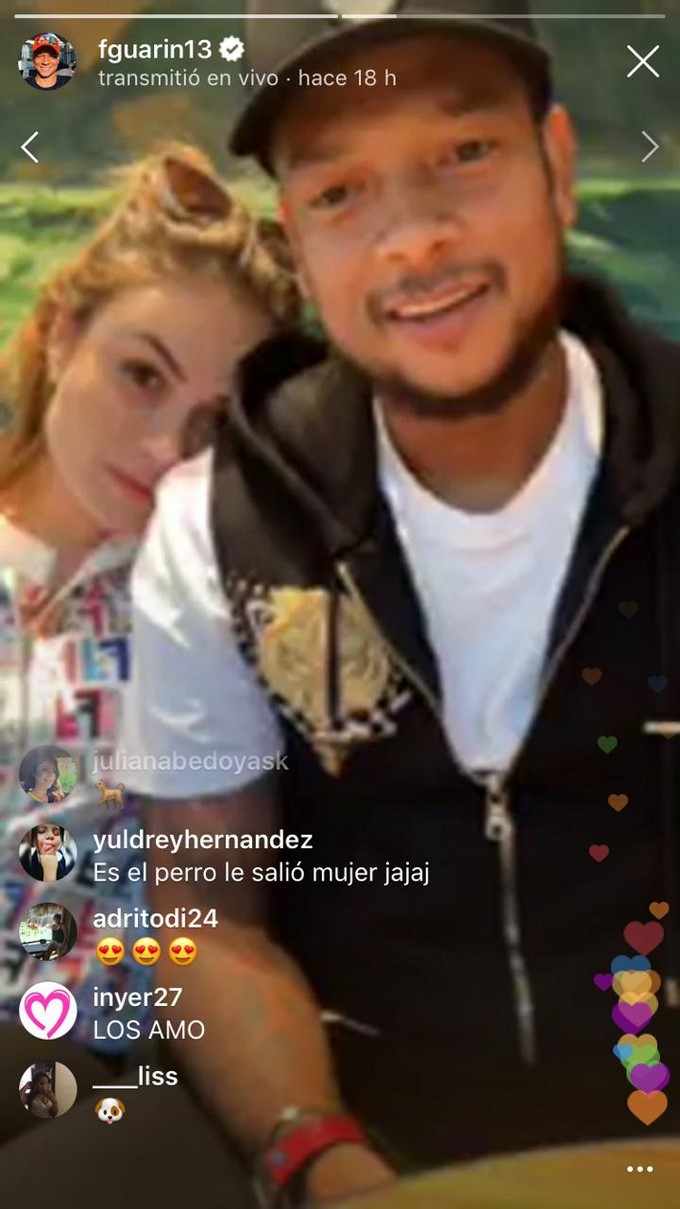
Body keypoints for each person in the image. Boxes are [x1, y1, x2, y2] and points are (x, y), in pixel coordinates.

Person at [121, 3, 680, 1208]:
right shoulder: (221, 527)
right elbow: (209, 915)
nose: (413, 241)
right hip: (376, 1141)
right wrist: (317, 1157)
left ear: (557, 167)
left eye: (463, 153)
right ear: (296, 239)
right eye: (339, 193)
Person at [0, 143, 301, 1078]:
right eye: (142, 375)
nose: (168, 446)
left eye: (214, 423)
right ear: (62, 333)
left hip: (103, 1068)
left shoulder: (218, 608)